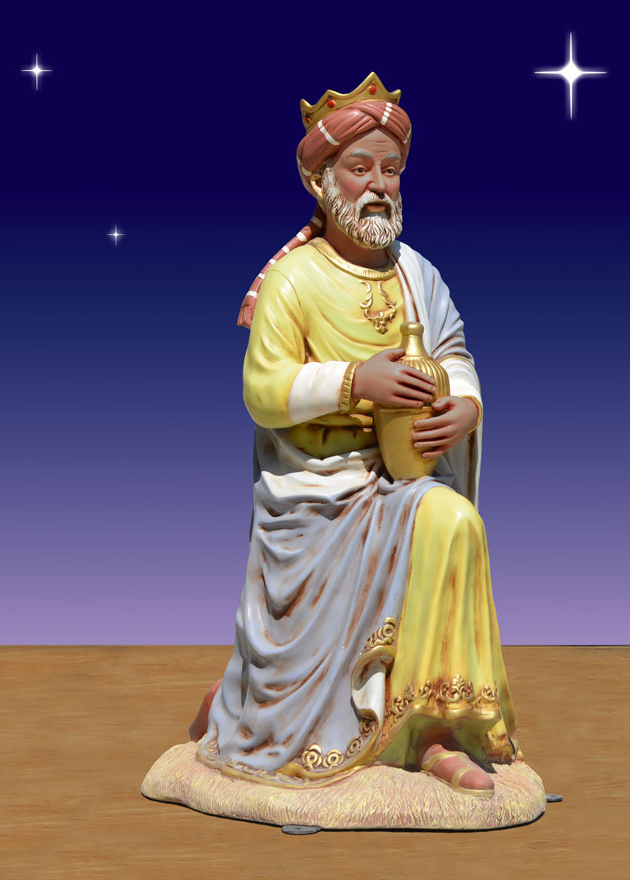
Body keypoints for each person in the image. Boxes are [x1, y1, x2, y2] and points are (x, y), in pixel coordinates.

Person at [191, 73, 521, 798]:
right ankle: (248, 705)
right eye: (359, 167)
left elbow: (455, 354)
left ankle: (432, 729)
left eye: (391, 170)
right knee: (436, 525)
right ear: (319, 179)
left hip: (402, 479)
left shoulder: (417, 275)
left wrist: (465, 406)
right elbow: (263, 391)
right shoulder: (294, 281)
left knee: (454, 524)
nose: (377, 186)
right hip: (316, 495)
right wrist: (354, 383)